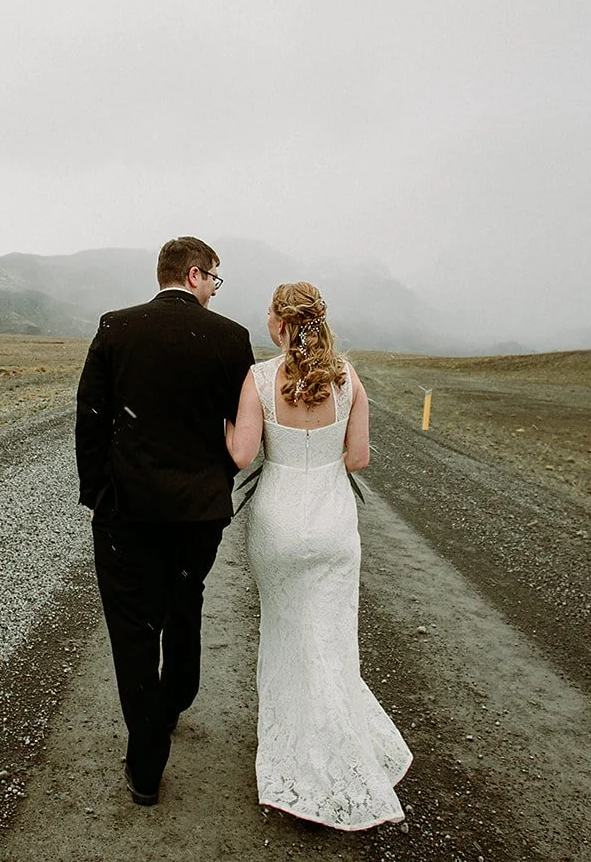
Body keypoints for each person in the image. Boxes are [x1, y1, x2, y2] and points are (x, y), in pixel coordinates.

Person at [75, 237, 255, 806]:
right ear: (195, 274)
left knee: (133, 628)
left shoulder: (116, 327)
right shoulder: (231, 339)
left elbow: (90, 416)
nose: (216, 290)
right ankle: (177, 696)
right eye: (215, 279)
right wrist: (216, 479)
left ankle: (147, 763)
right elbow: (241, 425)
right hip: (199, 513)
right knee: (185, 598)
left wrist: (98, 493)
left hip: (127, 511)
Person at [225, 281, 411, 830]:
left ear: (280, 324)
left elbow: (241, 455)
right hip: (332, 525)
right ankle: (338, 747)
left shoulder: (260, 378)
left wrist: (226, 423)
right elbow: (358, 459)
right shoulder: (348, 379)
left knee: (287, 635)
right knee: (329, 640)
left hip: (278, 524)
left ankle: (297, 755)